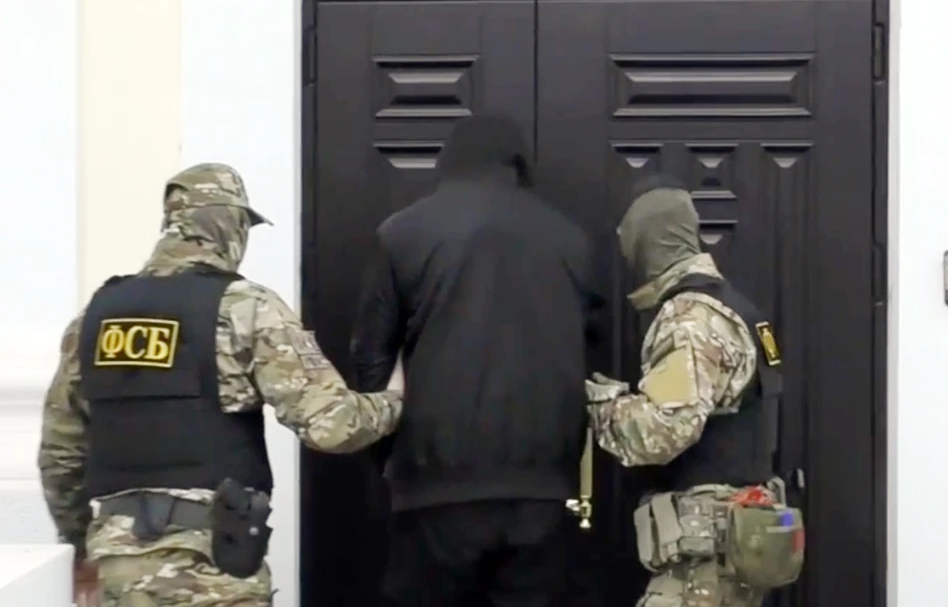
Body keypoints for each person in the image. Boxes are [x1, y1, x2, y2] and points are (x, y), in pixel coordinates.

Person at [37, 163, 403, 607]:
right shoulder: (246, 308)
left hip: (118, 567)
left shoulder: (95, 318)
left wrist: (79, 546)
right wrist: (398, 401)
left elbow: (61, 454)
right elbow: (332, 425)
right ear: (230, 227)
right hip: (213, 569)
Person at [350, 114, 604, 606]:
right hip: (542, 486)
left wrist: (388, 456)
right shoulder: (571, 240)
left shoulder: (403, 232)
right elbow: (590, 347)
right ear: (518, 163)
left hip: (434, 482)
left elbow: (371, 358)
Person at [584, 176, 805, 607]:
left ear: (647, 238)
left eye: (628, 238)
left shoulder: (690, 319)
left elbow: (662, 433)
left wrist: (597, 402)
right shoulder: (738, 309)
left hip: (703, 569)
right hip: (732, 559)